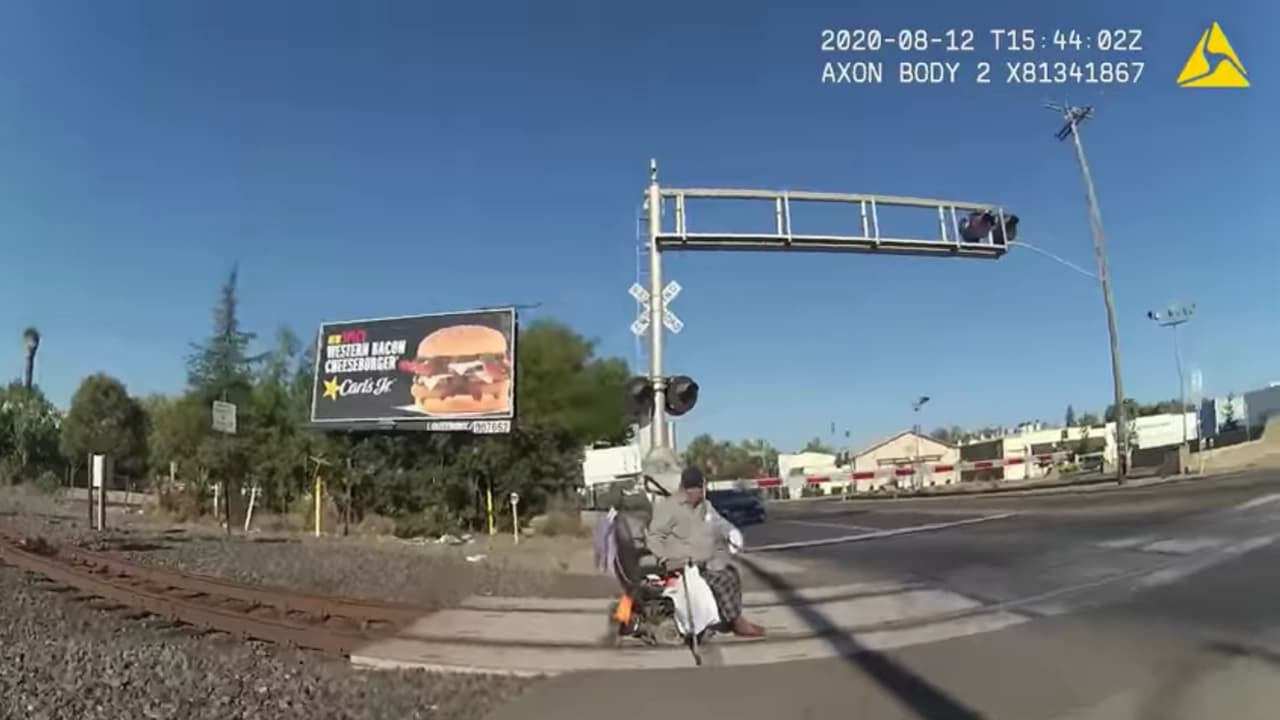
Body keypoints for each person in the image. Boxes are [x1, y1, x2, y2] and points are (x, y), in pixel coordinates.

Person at [644, 466, 766, 638]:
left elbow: (719, 522)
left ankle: (729, 617)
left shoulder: (705, 506)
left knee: (732, 573)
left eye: (700, 489)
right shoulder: (670, 508)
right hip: (683, 567)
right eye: (693, 489)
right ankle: (736, 622)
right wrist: (664, 559)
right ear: (685, 489)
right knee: (724, 581)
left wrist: (731, 532)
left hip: (703, 564)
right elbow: (655, 536)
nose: (697, 493)